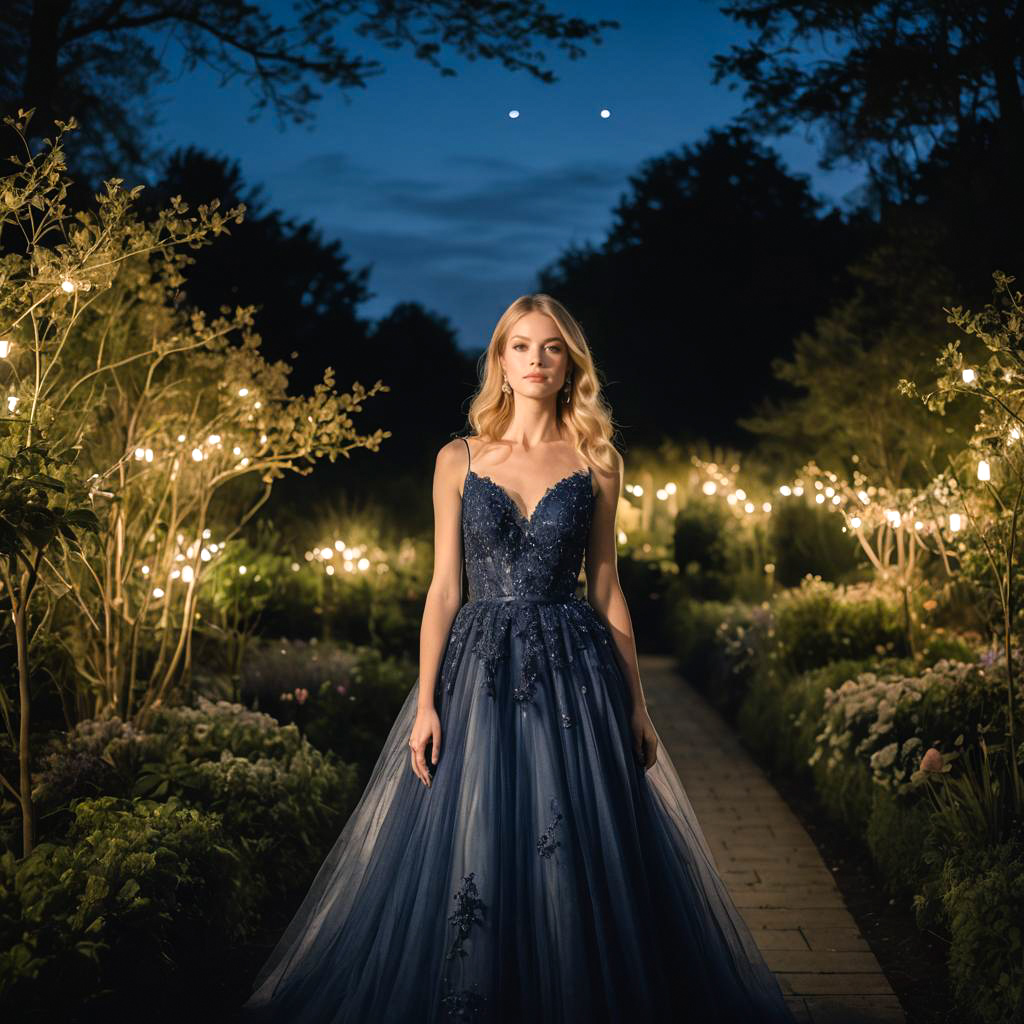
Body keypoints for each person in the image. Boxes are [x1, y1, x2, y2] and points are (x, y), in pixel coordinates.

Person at [242, 294, 797, 1023]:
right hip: (477, 673)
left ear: (571, 365)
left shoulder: (598, 462)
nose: (537, 361)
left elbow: (607, 588)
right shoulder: (457, 459)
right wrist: (428, 702)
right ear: (500, 361)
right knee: (478, 833)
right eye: (522, 347)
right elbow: (444, 589)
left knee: (574, 840)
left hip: (575, 674)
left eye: (552, 348)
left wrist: (638, 704)